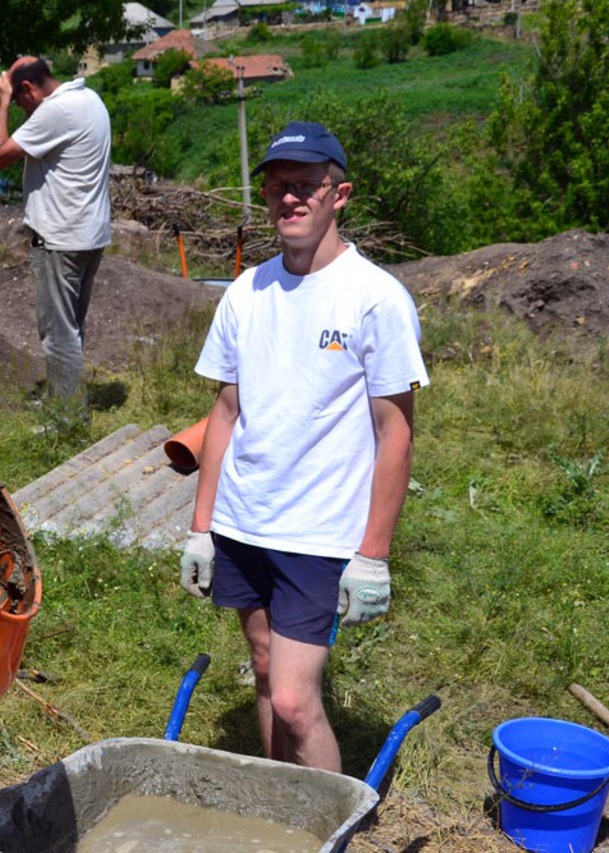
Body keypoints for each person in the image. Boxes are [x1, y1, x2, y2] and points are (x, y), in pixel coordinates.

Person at [179, 122, 428, 772]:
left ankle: (333, 821)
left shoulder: (375, 299)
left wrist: (373, 555)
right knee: (264, 667)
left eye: (305, 185)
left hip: (319, 531)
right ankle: (280, 809)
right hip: (243, 519)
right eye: (276, 187)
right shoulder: (245, 291)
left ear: (338, 193)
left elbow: (395, 433)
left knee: (293, 700)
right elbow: (225, 411)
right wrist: (202, 529)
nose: (289, 198)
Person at [0, 56, 112, 415]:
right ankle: (64, 394)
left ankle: (68, 417)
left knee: (58, 332)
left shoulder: (55, 111)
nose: (20, 108)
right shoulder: (89, 98)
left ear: (27, 88)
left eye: (18, 99)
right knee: (71, 326)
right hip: (90, 232)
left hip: (61, 237)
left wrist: (2, 103)